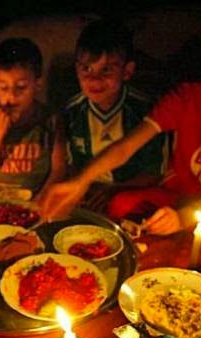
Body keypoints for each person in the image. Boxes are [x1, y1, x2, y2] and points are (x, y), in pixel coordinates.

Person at [38, 4, 201, 236]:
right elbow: (126, 147)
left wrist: (183, 218)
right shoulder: (186, 98)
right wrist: (81, 180)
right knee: (120, 205)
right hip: (174, 197)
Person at [64, 18, 167, 211]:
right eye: (86, 69)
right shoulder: (72, 111)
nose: (94, 80)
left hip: (129, 196)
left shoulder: (145, 112)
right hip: (86, 197)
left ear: (127, 71)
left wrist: (114, 190)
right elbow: (70, 166)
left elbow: (154, 174)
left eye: (106, 70)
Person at [0, 37, 67, 196]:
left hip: (34, 197)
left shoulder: (51, 119)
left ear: (37, 84)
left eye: (21, 87)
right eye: (4, 88)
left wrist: (42, 199)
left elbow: (58, 170)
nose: (11, 96)